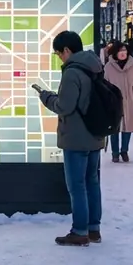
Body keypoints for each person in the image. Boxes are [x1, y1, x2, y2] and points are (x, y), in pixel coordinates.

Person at [35, 31, 106, 246]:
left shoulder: (72, 73)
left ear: (67, 50)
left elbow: (65, 106)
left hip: (76, 136)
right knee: (92, 182)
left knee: (77, 186)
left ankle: (79, 231)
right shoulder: (94, 65)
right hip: (95, 133)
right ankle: (94, 229)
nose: (59, 58)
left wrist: (46, 97)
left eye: (59, 53)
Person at [104, 41, 133, 163]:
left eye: (125, 50)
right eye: (120, 51)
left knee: (128, 127)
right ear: (115, 52)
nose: (123, 53)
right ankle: (115, 152)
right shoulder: (108, 67)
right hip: (113, 103)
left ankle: (124, 150)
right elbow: (104, 86)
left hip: (129, 101)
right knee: (114, 128)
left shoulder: (132, 67)